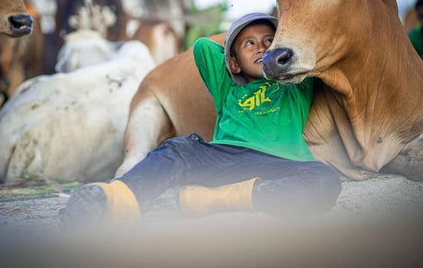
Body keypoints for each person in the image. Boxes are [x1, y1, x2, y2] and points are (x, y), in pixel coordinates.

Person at [64, 13, 341, 223]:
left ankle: (216, 200)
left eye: (269, 41)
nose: (260, 48)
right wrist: (234, 58)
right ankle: (117, 199)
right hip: (225, 157)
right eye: (250, 44)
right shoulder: (228, 87)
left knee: (325, 179)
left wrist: (278, 50)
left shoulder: (294, 86)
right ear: (232, 63)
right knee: (176, 150)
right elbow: (201, 47)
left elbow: (311, 48)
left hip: (282, 164)